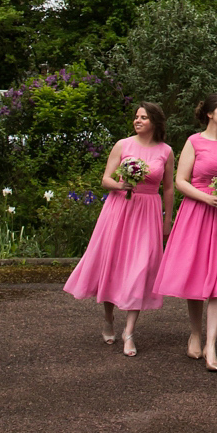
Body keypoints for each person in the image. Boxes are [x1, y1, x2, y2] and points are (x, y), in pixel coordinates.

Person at [63, 103, 173, 356]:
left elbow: (168, 187)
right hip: (119, 210)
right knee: (113, 264)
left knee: (141, 267)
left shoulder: (166, 151)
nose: (138, 121)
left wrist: (168, 220)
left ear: (155, 122)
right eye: (136, 117)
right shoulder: (123, 145)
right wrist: (122, 185)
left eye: (143, 117)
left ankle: (130, 332)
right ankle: (109, 319)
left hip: (148, 212)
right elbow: (105, 179)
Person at [152, 93, 217, 372]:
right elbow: (180, 181)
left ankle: (212, 344)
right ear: (209, 113)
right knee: (196, 273)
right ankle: (195, 333)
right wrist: (207, 198)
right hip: (198, 211)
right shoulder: (194, 141)